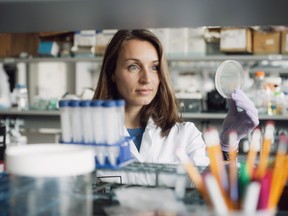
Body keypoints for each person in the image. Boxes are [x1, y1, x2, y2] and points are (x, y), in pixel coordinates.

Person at [93, 29, 259, 185]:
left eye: (154, 67)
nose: (146, 78)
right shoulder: (90, 139)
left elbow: (215, 193)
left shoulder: (186, 135)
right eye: (133, 66)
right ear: (112, 73)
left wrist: (227, 146)